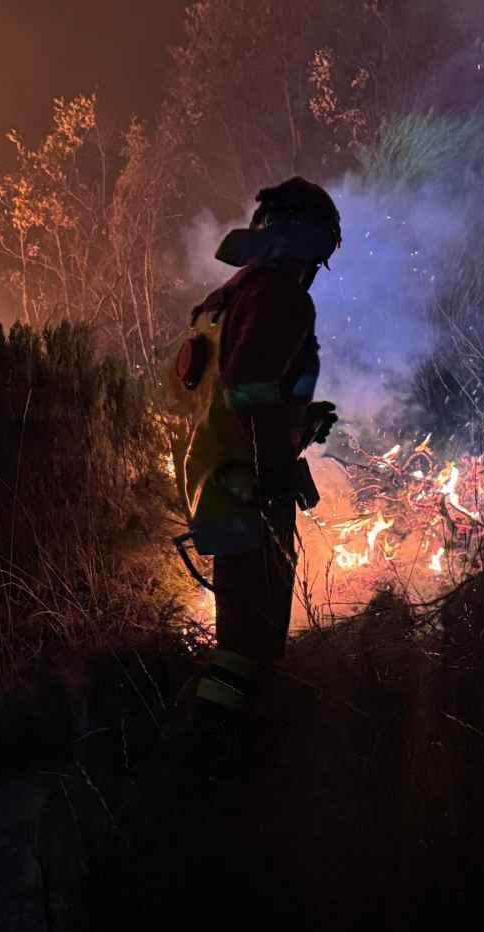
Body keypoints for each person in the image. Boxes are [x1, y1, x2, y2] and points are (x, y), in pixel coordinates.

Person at [172, 177, 342, 778]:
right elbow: (249, 389)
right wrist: (276, 469)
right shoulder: (281, 297)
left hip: (214, 477)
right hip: (248, 484)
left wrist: (298, 422)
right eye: (316, 258)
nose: (315, 274)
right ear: (302, 246)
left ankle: (225, 759)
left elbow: (224, 393)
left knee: (239, 633)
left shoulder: (225, 298)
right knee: (251, 646)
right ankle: (220, 768)